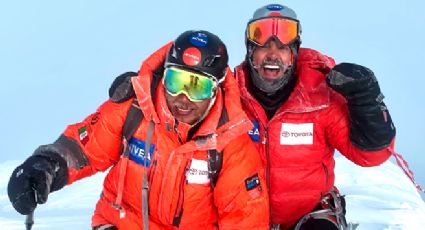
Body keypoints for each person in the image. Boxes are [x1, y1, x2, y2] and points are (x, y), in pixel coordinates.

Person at [7, 30, 270, 229]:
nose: (182, 97)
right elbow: (83, 149)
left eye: (197, 87)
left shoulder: (232, 146)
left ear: (216, 90)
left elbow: (245, 219)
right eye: (175, 80)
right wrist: (45, 166)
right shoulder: (134, 109)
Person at [234, 3, 396, 230]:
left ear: (294, 53)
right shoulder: (230, 96)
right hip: (244, 215)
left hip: (307, 215)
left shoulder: (320, 98)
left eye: (282, 47)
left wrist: (366, 102)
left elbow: (371, 156)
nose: (273, 54)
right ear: (250, 51)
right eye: (263, 46)